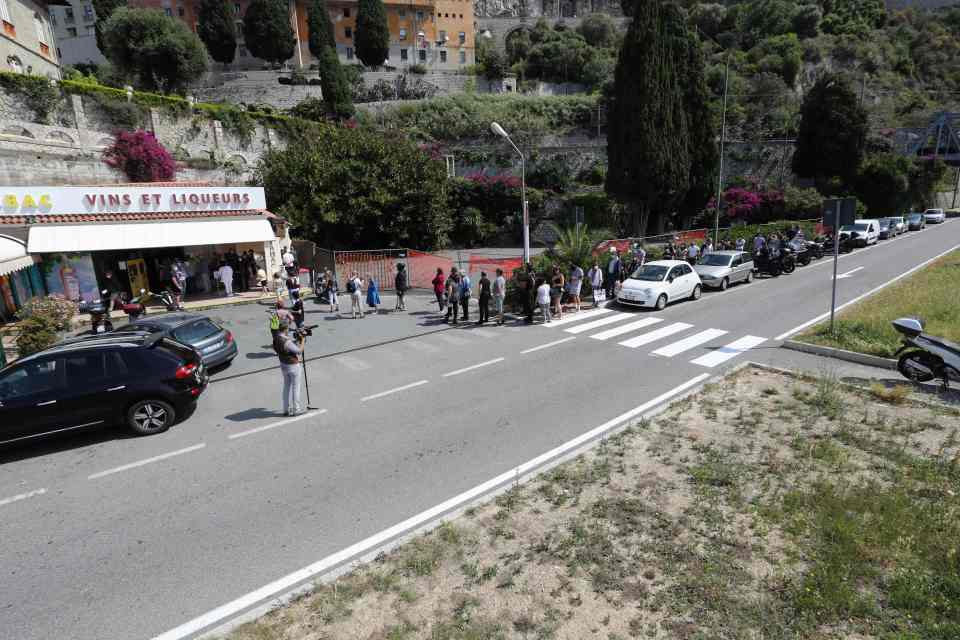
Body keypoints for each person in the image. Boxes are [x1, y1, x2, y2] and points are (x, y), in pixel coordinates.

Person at [273, 324, 304, 417]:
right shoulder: (287, 341)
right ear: (285, 329)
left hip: (283, 364)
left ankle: (285, 409)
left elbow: (280, 349)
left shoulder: (276, 338)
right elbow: (299, 351)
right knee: (296, 387)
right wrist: (302, 340)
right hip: (293, 366)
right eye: (288, 328)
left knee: (286, 387)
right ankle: (296, 409)